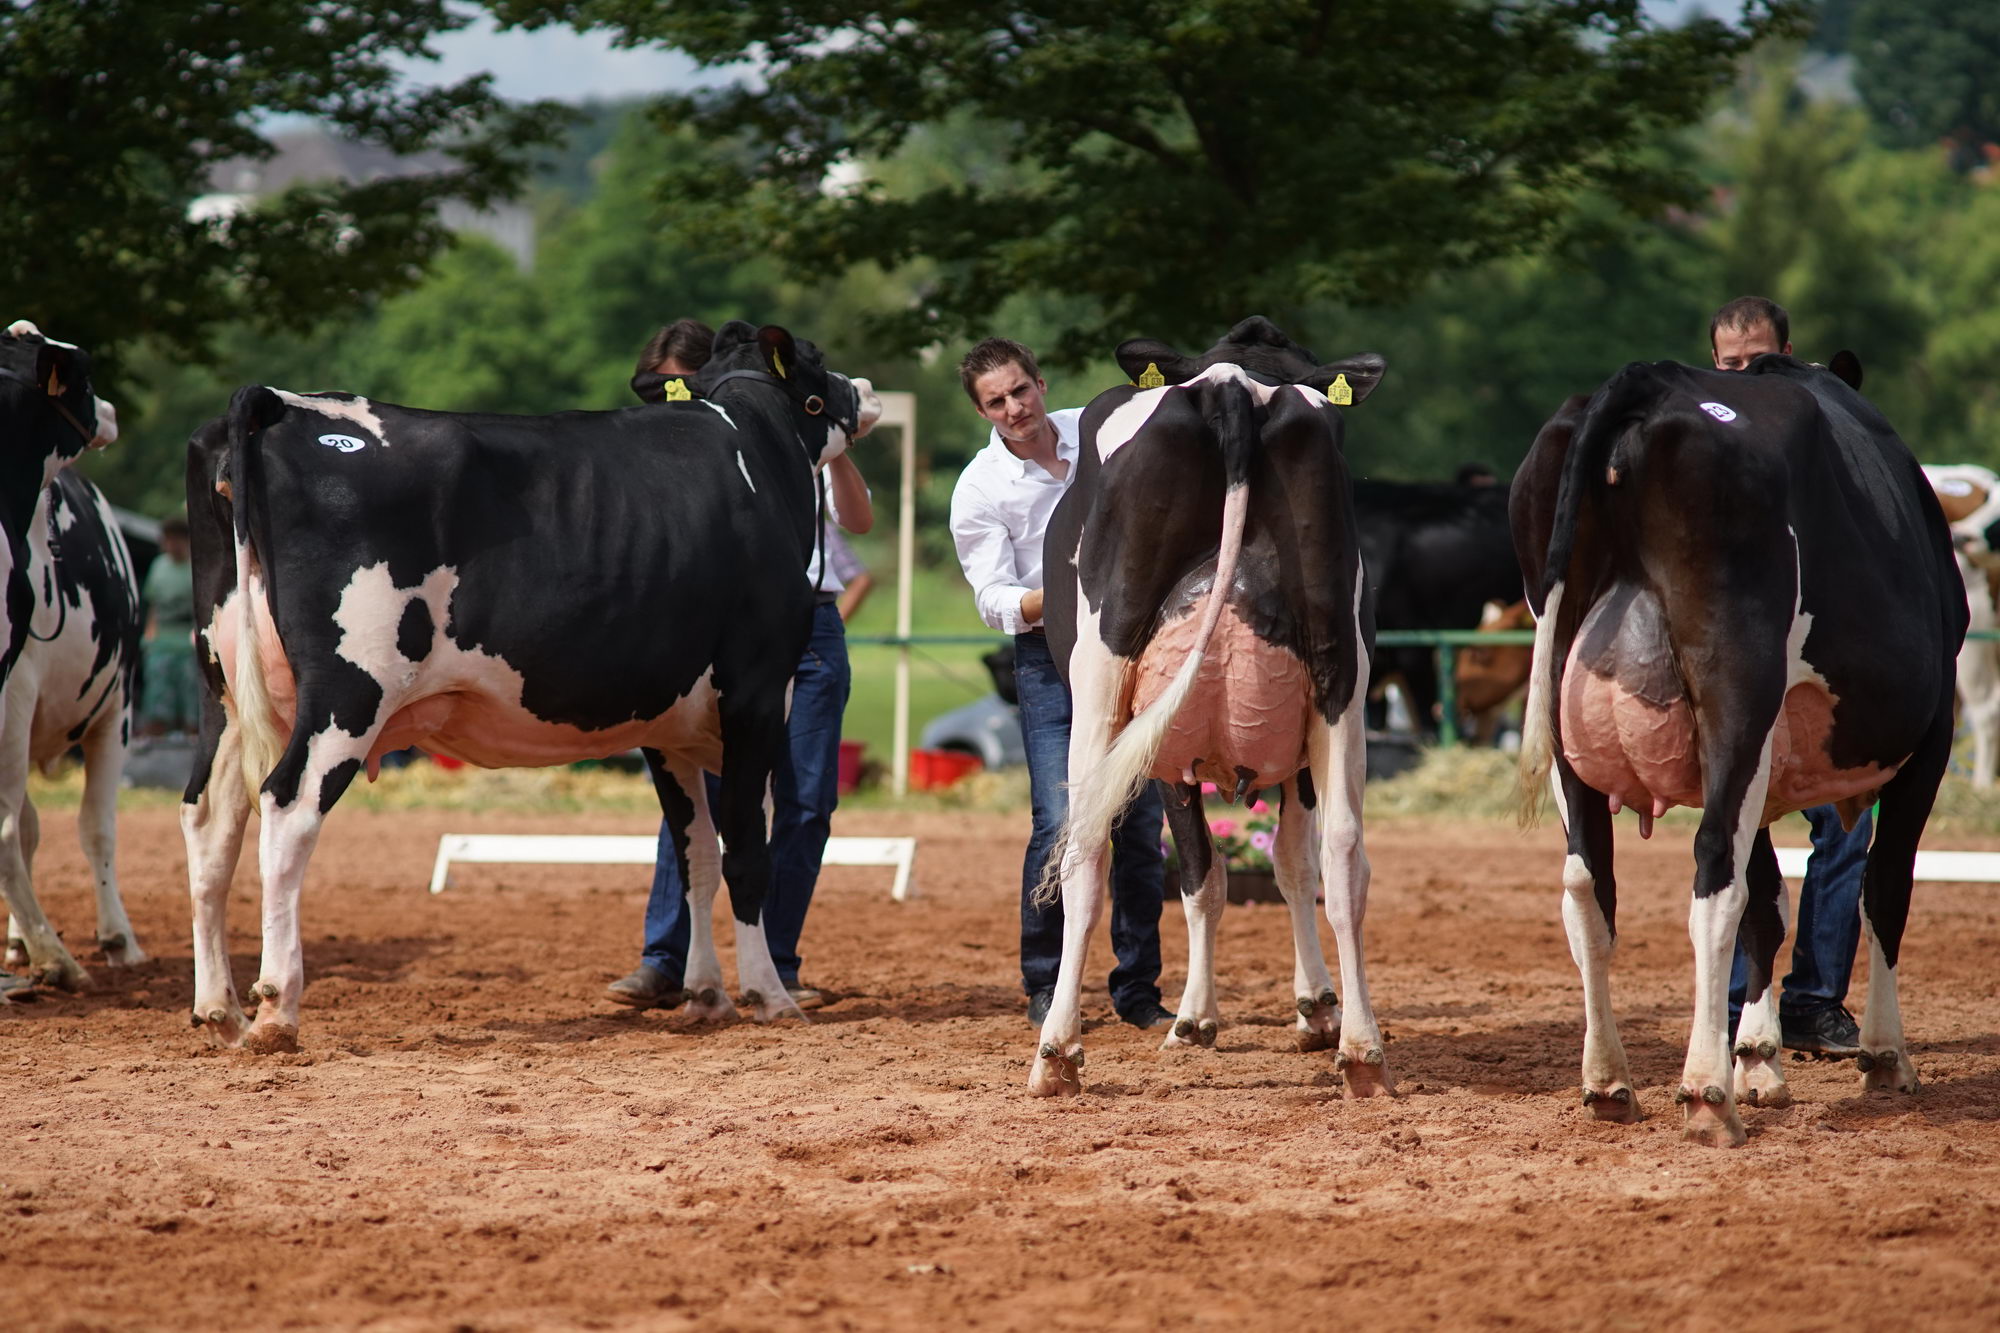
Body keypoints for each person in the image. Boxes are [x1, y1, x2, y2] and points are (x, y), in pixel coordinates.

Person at [607, 319, 873, 1013]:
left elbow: (860, 524)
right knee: (691, 797)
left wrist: (836, 444)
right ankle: (666, 958)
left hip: (809, 625)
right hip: (720, 632)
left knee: (806, 801)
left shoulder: (787, 436)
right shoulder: (683, 470)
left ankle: (772, 961)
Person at [947, 337, 1173, 1029]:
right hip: (1048, 659)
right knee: (1058, 822)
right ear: (982, 411)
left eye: (1020, 390)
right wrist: (1079, 588)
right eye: (997, 401)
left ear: (1041, 383)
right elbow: (994, 599)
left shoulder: (1102, 433)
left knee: (1139, 823)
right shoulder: (979, 489)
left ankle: (1137, 990)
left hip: (1131, 651)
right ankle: (1044, 984)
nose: (1014, 407)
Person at [1712, 295, 1865, 1057]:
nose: (1746, 375)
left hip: (1823, 663)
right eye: (1731, 364)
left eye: (1760, 360)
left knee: (1845, 827)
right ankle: (1749, 993)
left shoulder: (1823, 430)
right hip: (1740, 664)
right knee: (1737, 836)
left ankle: (1813, 998)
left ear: (1792, 356)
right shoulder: (1701, 439)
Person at [140, 516, 199, 737]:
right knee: (156, 698)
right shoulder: (159, 566)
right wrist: (149, 636)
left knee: (192, 701)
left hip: (188, 642)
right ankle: (154, 746)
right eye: (168, 540)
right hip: (161, 641)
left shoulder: (197, 565)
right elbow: (154, 604)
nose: (172, 545)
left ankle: (193, 742)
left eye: (177, 540)